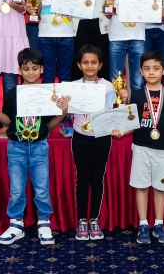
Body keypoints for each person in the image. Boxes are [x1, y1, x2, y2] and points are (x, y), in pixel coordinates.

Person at [0, 49, 69, 246]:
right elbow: (8, 121)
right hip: (16, 147)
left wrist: (63, 113)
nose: (31, 72)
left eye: (35, 68)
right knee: (16, 189)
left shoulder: (48, 95)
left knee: (42, 189)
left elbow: (49, 126)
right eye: (26, 68)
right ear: (19, 70)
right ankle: (16, 224)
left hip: (39, 147)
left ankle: (44, 222)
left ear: (42, 69)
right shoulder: (12, 94)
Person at [123, 51, 164, 245]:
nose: (151, 72)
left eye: (156, 68)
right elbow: (131, 123)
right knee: (141, 186)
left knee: (160, 187)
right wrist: (121, 131)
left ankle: (158, 224)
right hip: (141, 147)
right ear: (141, 71)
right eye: (147, 69)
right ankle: (143, 224)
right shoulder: (137, 96)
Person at [68, 45, 118, 240]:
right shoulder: (73, 86)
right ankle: (82, 220)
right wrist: (63, 106)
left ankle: (94, 219)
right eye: (86, 62)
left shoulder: (108, 86)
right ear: (79, 65)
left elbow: (112, 110)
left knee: (97, 178)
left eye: (94, 62)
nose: (90, 66)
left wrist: (122, 100)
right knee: (82, 178)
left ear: (100, 65)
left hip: (102, 137)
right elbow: (68, 113)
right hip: (80, 136)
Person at [103, 0, 158, 92]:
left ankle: (137, 106)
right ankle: (116, 105)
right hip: (116, 36)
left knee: (138, 80)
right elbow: (107, 14)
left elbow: (153, 12)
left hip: (137, 36)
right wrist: (107, 4)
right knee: (116, 78)